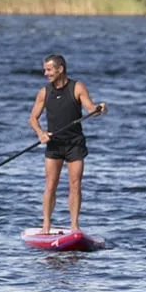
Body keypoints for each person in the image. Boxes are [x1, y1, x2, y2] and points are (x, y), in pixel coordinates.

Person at [28, 54, 106, 234]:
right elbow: (33, 118)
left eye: (49, 69)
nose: (45, 73)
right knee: (50, 184)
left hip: (74, 144)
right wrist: (40, 133)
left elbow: (90, 109)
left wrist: (98, 110)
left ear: (60, 69)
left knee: (75, 183)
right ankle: (46, 226)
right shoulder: (44, 92)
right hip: (54, 144)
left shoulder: (76, 87)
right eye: (45, 69)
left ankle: (74, 226)